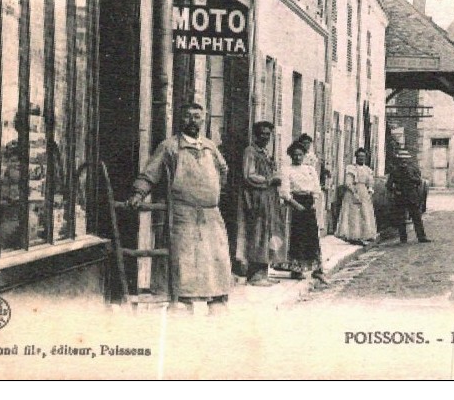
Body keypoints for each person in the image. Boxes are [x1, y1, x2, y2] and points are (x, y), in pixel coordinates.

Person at [127, 103, 232, 313]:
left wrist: (211, 193)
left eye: (197, 117)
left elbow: (223, 170)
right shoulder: (169, 147)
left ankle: (216, 300)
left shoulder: (210, 147)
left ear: (204, 120)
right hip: (182, 215)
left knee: (215, 258)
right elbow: (150, 173)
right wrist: (138, 194)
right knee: (184, 259)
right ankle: (182, 301)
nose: (193, 122)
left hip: (211, 215)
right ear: (180, 119)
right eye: (188, 117)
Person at [234, 121, 288, 286]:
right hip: (256, 199)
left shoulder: (264, 153)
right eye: (262, 134)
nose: (265, 137)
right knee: (258, 234)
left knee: (269, 233)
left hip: (268, 198)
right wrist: (269, 180)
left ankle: (264, 272)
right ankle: (255, 275)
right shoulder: (250, 152)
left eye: (268, 134)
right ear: (256, 135)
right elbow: (248, 175)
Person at [277, 141, 326, 281]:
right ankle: (296, 269)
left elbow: (316, 188)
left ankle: (317, 269)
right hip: (295, 203)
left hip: (309, 203)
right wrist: (295, 204)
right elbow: (285, 191)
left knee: (311, 237)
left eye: (300, 155)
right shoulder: (287, 170)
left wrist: (313, 202)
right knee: (297, 237)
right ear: (290, 155)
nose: (298, 158)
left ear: (304, 155)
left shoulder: (310, 169)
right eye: (295, 155)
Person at [386, 155, 431, 244]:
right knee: (401, 218)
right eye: (401, 160)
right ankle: (403, 238)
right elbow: (389, 185)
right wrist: (395, 191)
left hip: (411, 196)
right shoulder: (394, 171)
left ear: (407, 160)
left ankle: (421, 237)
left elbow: (419, 181)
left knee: (417, 217)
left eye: (405, 160)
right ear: (399, 161)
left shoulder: (412, 170)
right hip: (400, 197)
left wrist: (412, 178)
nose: (403, 162)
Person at [336, 148, 378, 244]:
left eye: (363, 157)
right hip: (353, 192)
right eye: (359, 157)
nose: (361, 158)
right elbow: (348, 182)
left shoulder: (367, 169)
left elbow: (370, 182)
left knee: (365, 213)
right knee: (353, 214)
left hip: (364, 192)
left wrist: (370, 191)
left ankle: (364, 235)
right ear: (356, 157)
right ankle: (353, 235)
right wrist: (354, 193)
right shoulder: (351, 168)